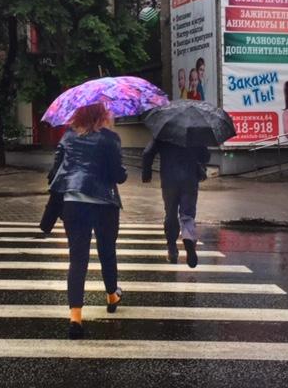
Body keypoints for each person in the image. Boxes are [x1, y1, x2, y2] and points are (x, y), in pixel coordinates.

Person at [48, 103, 127, 339]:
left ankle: (75, 318)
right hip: (104, 204)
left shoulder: (68, 136)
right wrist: (122, 172)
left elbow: (55, 171)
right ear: (102, 115)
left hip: (73, 203)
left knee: (78, 259)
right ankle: (112, 295)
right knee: (107, 252)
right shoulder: (110, 138)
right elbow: (118, 175)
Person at [141, 139, 210, 267]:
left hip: (169, 181)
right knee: (187, 215)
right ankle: (188, 238)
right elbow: (206, 156)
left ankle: (172, 249)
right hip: (190, 181)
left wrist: (146, 174)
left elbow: (147, 153)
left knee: (170, 214)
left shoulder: (163, 133)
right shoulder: (194, 133)